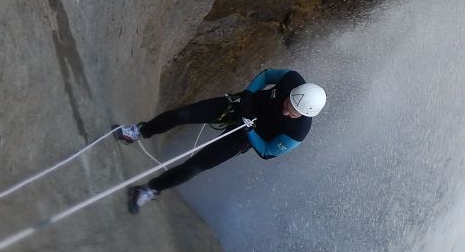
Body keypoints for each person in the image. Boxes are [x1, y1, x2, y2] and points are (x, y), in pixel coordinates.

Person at [114, 68, 326, 213]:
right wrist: (248, 94)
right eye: (288, 103)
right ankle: (139, 131)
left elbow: (267, 151)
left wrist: (250, 131)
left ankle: (150, 189)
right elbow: (267, 75)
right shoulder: (291, 80)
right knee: (182, 115)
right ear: (292, 93)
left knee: (193, 168)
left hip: (243, 137)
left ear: (305, 115)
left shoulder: (298, 131)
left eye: (294, 113)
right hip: (239, 106)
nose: (286, 111)